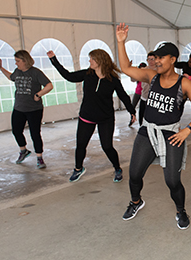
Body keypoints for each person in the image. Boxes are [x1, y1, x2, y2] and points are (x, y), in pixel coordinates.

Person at [116, 23, 191, 230]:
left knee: (173, 181)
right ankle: (136, 202)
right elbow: (125, 68)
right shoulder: (151, 75)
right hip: (147, 131)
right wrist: (121, 43)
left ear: (173, 59)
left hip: (172, 134)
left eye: (161, 57)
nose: (157, 61)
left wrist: (187, 129)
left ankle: (181, 211)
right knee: (134, 174)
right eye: (155, 57)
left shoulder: (185, 83)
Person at [47, 49, 136, 183]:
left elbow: (123, 95)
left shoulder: (112, 79)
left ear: (100, 61)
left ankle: (117, 168)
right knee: (81, 145)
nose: (89, 61)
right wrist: (54, 60)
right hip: (86, 116)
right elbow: (68, 76)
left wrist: (131, 111)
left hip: (105, 118)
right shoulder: (87, 74)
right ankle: (78, 169)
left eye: (92, 59)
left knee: (107, 146)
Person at [0, 50, 54, 169]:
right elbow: (11, 77)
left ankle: (39, 158)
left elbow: (49, 85)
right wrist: (1, 68)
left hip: (34, 109)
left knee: (35, 134)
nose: (16, 64)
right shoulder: (17, 72)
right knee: (16, 131)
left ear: (25, 60)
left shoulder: (35, 72)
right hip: (19, 108)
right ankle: (23, 151)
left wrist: (38, 95)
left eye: (18, 61)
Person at [138, 52, 157, 126]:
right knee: (141, 116)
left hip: (154, 99)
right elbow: (133, 78)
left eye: (152, 59)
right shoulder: (143, 70)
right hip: (144, 97)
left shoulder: (159, 70)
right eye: (149, 59)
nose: (151, 61)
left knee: (153, 118)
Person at [129, 62, 147, 127]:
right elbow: (132, 79)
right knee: (132, 107)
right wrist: (131, 69)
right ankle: (131, 120)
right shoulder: (139, 75)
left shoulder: (147, 75)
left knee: (142, 111)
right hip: (137, 93)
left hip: (144, 95)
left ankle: (142, 124)